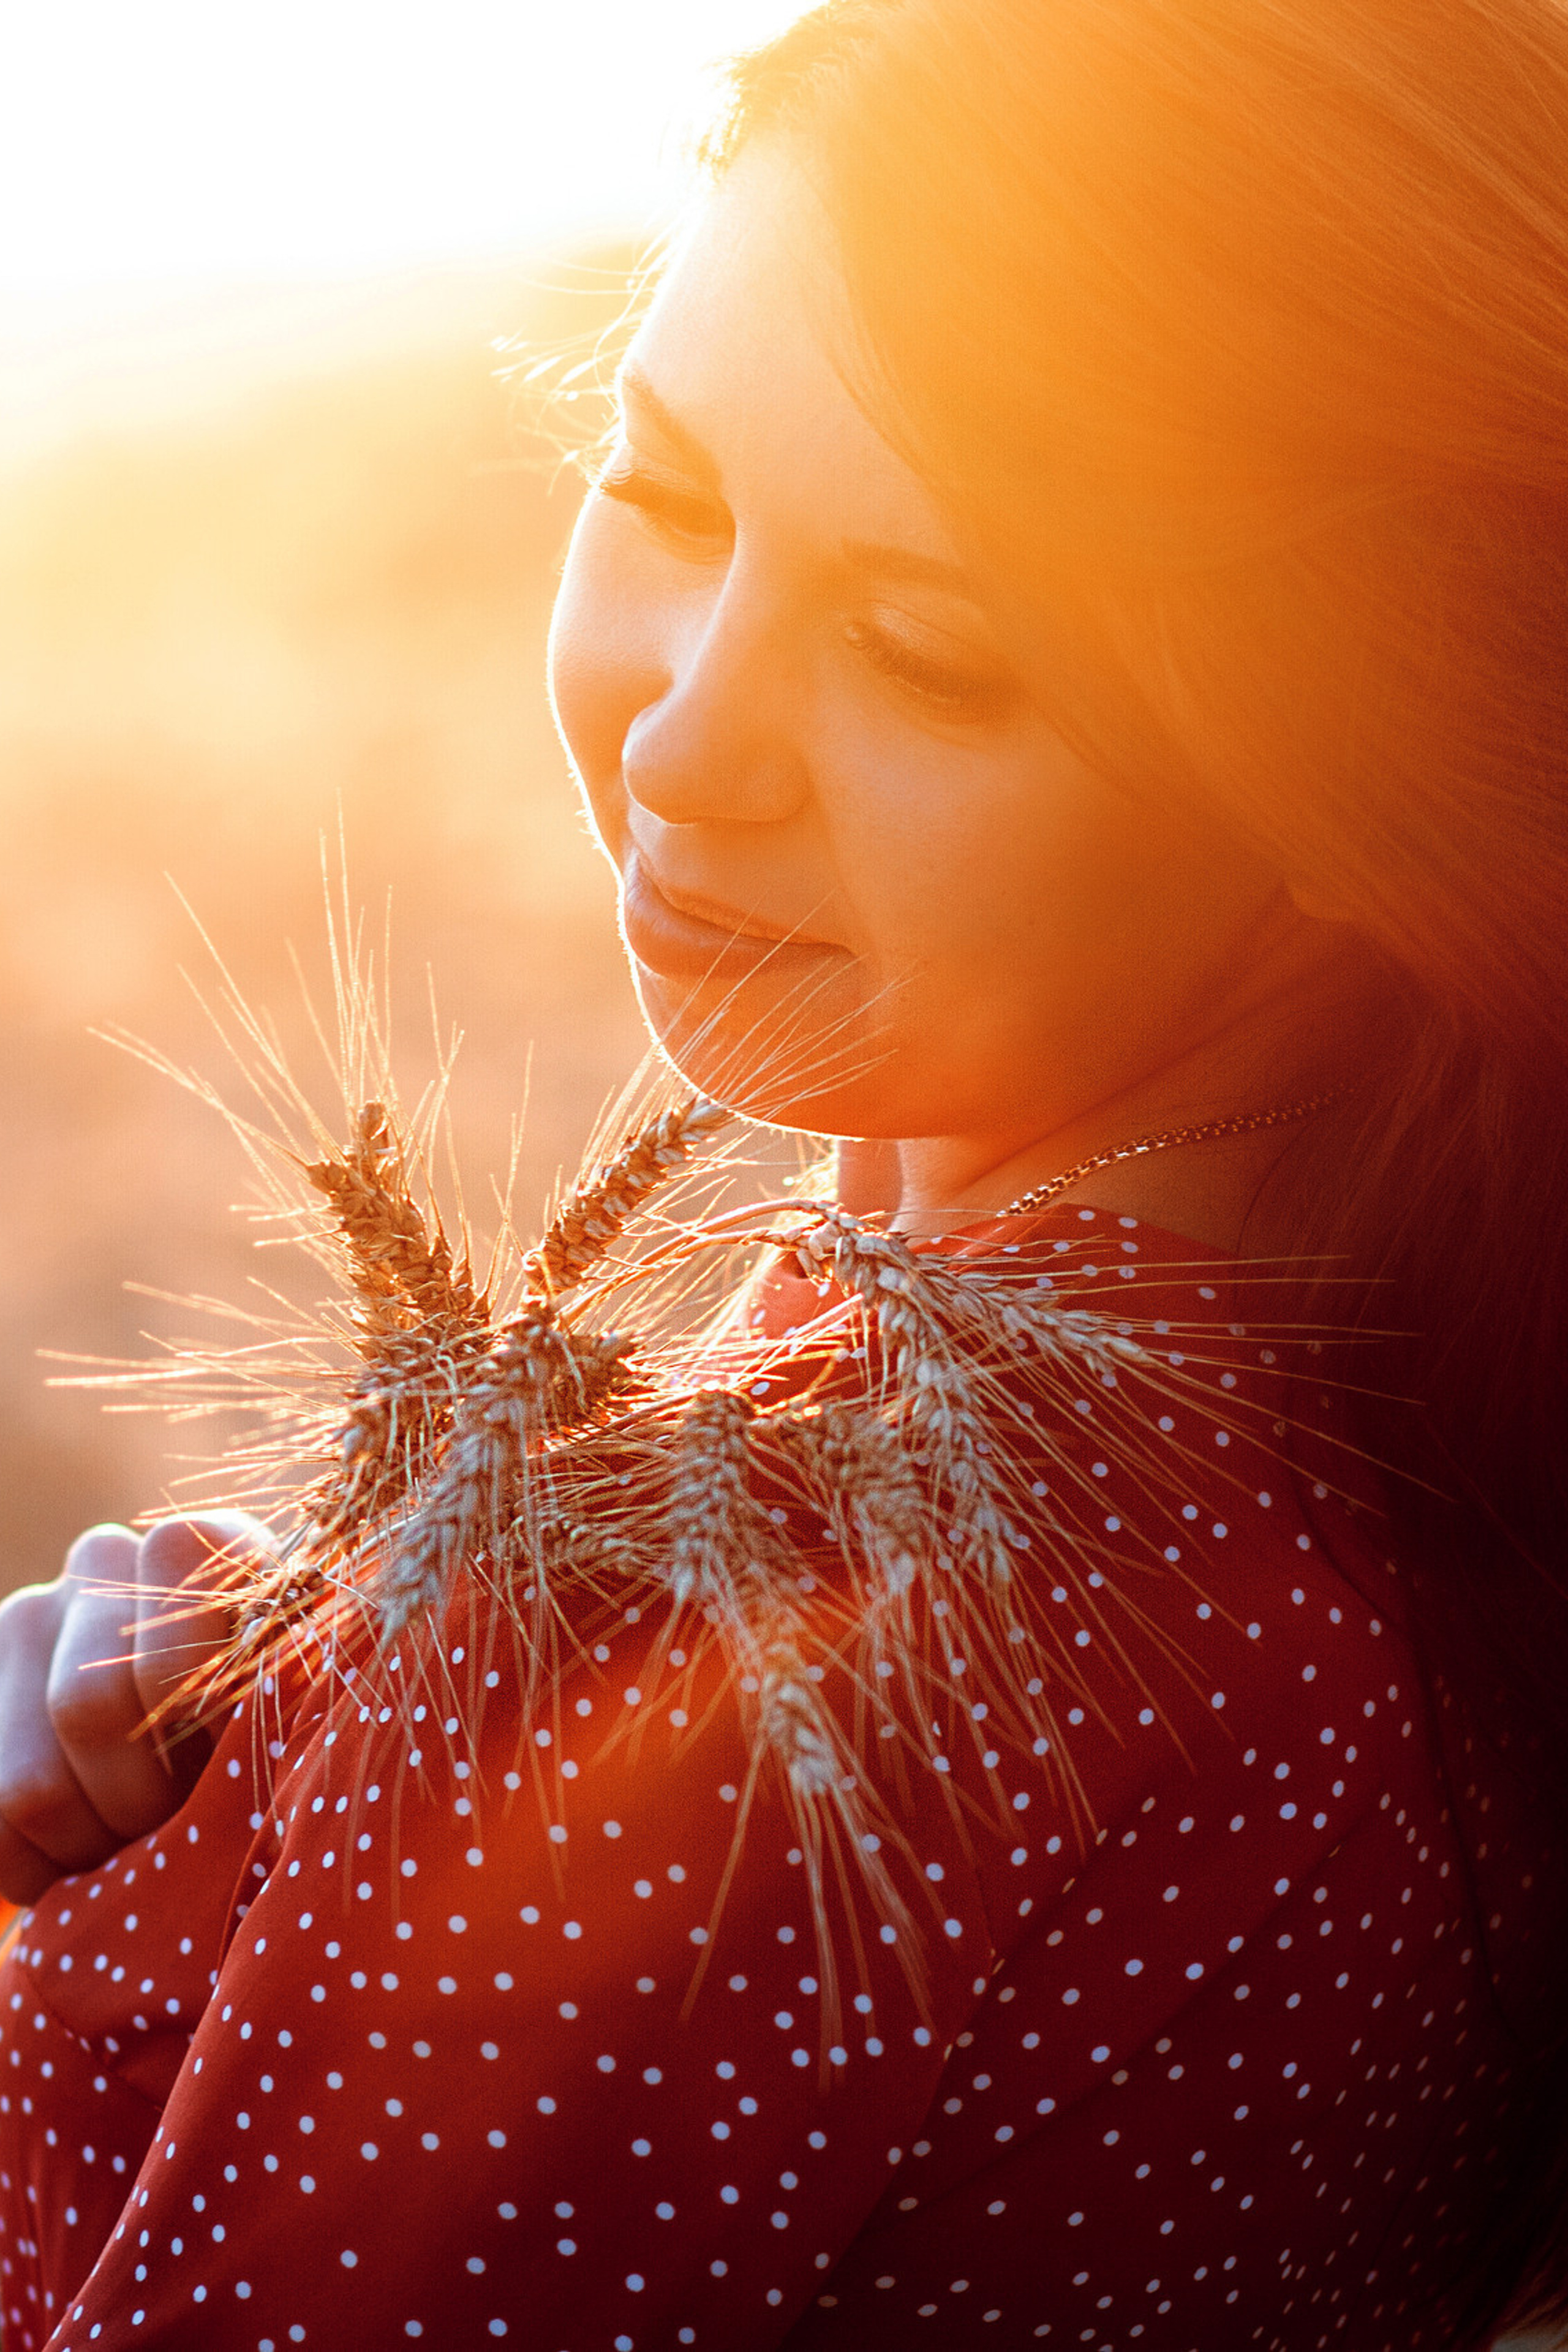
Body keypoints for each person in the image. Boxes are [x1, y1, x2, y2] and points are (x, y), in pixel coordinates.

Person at [1, 0, 1567, 2343]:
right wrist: (261, 1818)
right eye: (664, 494)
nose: (686, 728)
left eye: (927, 651)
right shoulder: (1450, 1463)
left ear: (1365, 754)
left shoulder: (750, 1643)